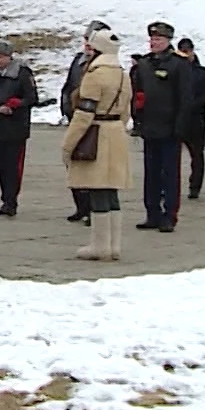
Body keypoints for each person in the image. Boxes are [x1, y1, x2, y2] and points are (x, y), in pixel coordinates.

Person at [63, 26, 131, 261]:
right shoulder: (123, 74)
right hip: (116, 133)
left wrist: (69, 143)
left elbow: (84, 114)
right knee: (111, 190)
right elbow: (126, 112)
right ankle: (113, 245)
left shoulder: (95, 75)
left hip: (97, 133)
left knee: (98, 189)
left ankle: (100, 246)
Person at [131, 21, 191, 233]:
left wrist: (180, 126)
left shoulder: (179, 64)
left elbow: (185, 99)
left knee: (170, 174)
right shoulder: (144, 64)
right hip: (150, 127)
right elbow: (137, 93)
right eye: (152, 39)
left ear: (168, 41)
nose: (154, 43)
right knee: (151, 173)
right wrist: (137, 117)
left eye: (158, 39)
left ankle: (169, 215)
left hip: (170, 127)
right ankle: (152, 213)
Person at [60, 20, 109, 224]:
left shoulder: (106, 65)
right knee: (74, 163)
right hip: (76, 118)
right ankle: (80, 206)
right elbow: (69, 85)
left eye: (91, 40)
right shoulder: (78, 60)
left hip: (94, 121)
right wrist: (65, 105)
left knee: (92, 166)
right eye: (85, 39)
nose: (87, 44)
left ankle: (93, 208)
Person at [0, 38, 39, 216]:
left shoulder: (22, 74)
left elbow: (32, 98)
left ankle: (11, 200)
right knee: (1, 166)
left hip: (16, 128)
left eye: (0, 57)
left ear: (9, 57)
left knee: (13, 167)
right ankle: (5, 199)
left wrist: (15, 105)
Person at [176, 38, 205, 201]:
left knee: (197, 155)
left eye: (187, 51)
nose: (185, 54)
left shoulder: (202, 73)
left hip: (195, 119)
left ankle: (195, 187)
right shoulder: (174, 71)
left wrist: (192, 105)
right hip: (176, 119)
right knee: (171, 156)